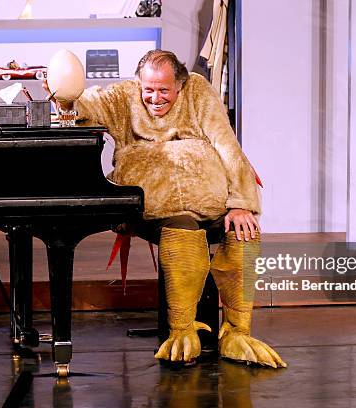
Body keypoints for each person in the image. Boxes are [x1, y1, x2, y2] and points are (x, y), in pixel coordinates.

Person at [47, 50, 286, 368]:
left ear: (180, 85)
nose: (155, 98)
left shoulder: (198, 91)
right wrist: (66, 98)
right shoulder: (123, 96)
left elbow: (227, 145)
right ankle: (182, 330)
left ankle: (238, 333)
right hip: (159, 200)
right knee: (183, 229)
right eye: (148, 89)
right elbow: (87, 105)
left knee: (245, 234)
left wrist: (242, 203)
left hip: (208, 194)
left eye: (163, 90)